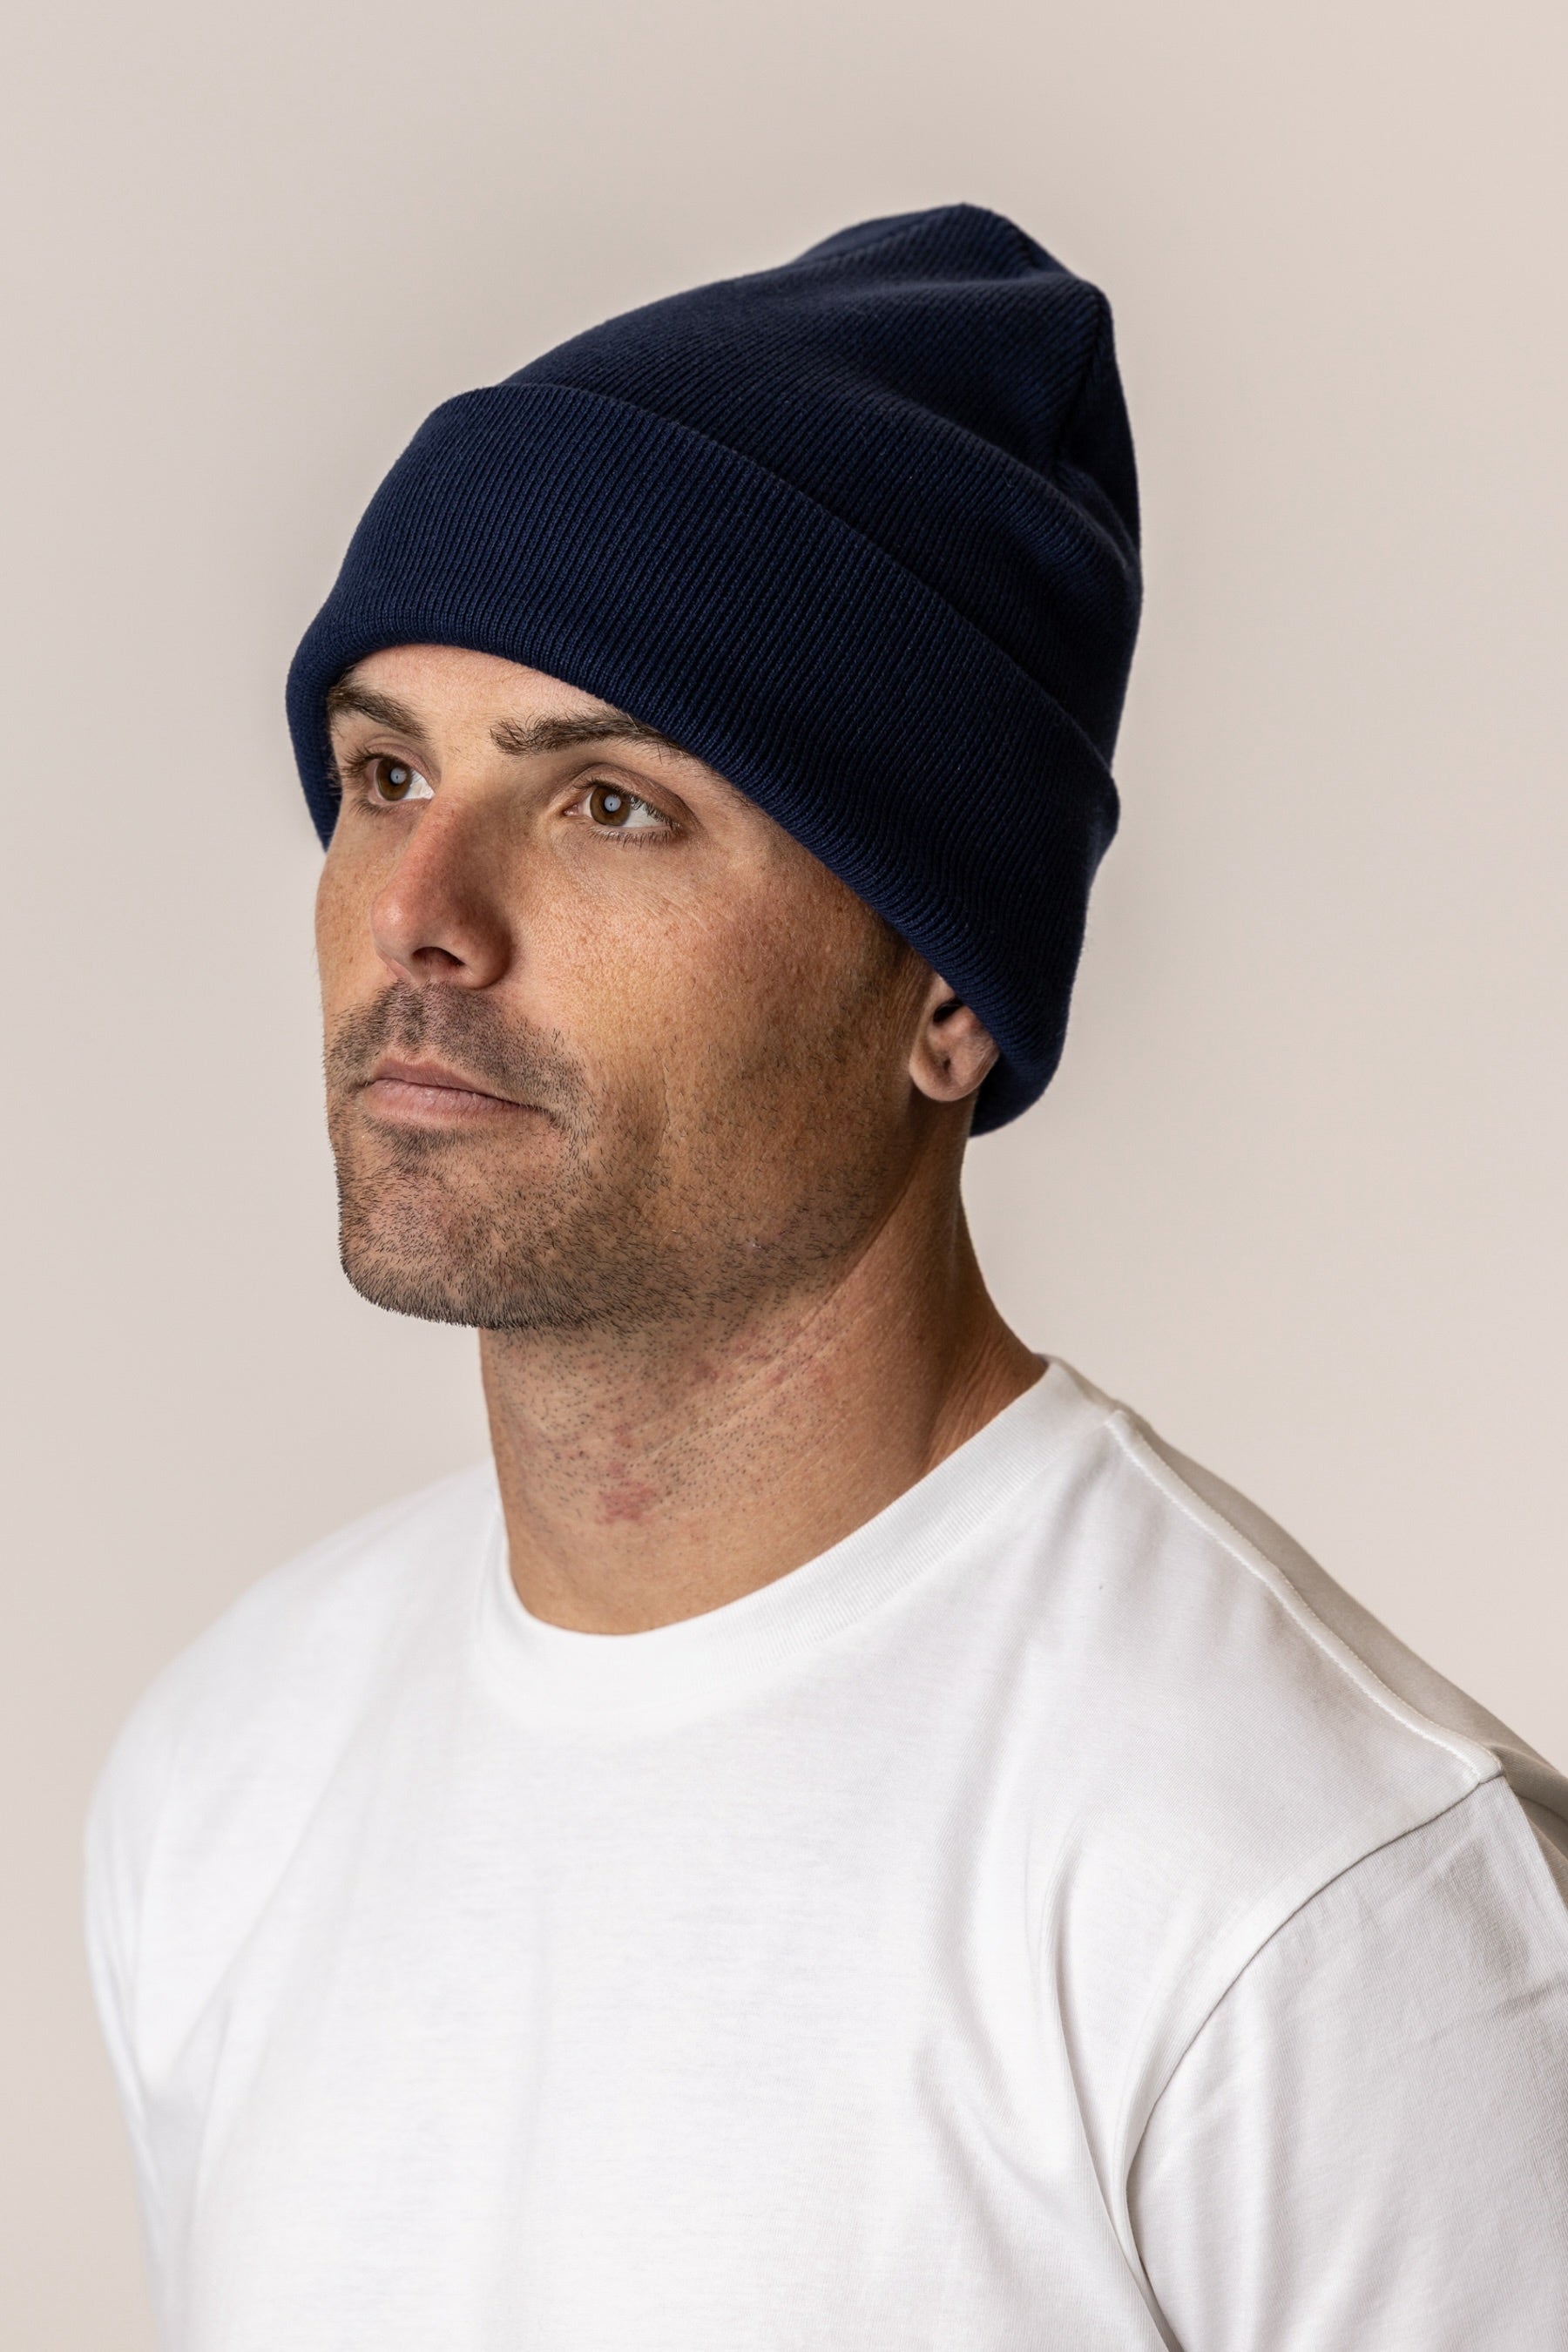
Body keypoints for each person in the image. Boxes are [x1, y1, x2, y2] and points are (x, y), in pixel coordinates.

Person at [87, 206, 1568, 2351]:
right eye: (385, 773)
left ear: (945, 991)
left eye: (608, 803)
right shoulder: (229, 1774)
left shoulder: (1317, 1896)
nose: (420, 911)